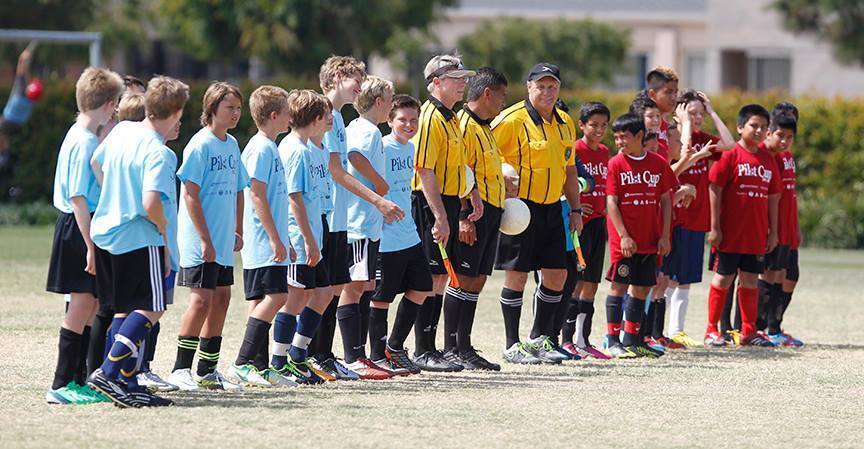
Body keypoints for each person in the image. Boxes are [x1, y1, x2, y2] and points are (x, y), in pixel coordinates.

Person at [86, 75, 190, 407]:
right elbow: (149, 204)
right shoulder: (159, 152)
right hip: (139, 237)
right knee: (152, 307)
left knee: (124, 309)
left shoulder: (124, 130)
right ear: (175, 112)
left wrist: (114, 194)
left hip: (106, 232)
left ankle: (124, 383)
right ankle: (108, 372)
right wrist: (162, 234)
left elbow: (95, 162)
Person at [309, 56, 403, 381]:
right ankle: (326, 356)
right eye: (356, 78)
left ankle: (325, 355)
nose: (360, 85)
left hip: (340, 220)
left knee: (336, 288)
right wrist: (379, 196)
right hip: (338, 218)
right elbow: (340, 168)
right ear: (337, 76)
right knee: (337, 288)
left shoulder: (337, 118)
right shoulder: (325, 115)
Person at [492, 62, 583, 364]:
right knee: (516, 275)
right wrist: (500, 185)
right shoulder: (511, 120)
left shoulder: (565, 122)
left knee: (557, 273)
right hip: (520, 209)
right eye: (540, 86)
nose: (546, 91)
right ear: (529, 87)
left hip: (553, 208)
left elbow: (570, 171)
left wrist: (576, 209)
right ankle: (511, 344)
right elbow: (482, 155)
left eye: (552, 86)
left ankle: (538, 338)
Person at [45, 67, 123, 405]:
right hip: (79, 226)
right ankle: (61, 384)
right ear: (107, 104)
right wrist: (90, 246)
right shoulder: (83, 140)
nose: (117, 110)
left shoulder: (83, 135)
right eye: (116, 104)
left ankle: (79, 380)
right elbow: (78, 197)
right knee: (79, 304)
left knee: (91, 302)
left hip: (86, 224)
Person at [167, 82, 249, 391]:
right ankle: (180, 369)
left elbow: (241, 189)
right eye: (230, 107)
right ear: (212, 109)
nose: (236, 113)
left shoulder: (231, 144)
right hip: (200, 239)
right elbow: (190, 195)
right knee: (201, 300)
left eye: (238, 108)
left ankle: (207, 370)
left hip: (223, 238)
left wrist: (238, 229)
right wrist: (204, 239)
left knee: (223, 298)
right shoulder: (200, 144)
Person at [411, 54, 481, 372]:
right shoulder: (430, 118)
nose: (464, 84)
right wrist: (439, 215)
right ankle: (421, 348)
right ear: (436, 82)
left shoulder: (452, 117)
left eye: (465, 78)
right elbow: (424, 170)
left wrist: (470, 198)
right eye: (457, 78)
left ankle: (432, 347)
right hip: (430, 203)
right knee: (431, 276)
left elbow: (459, 167)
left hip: (450, 202)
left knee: (441, 276)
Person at [228, 85, 299, 388]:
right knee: (278, 296)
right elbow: (256, 195)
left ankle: (258, 366)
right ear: (273, 115)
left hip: (271, 238)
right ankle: (243, 362)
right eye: (286, 113)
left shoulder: (270, 146)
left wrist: (286, 238)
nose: (290, 118)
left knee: (259, 300)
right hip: (262, 240)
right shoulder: (261, 148)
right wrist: (274, 238)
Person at [444, 67, 509, 371]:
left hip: (492, 211)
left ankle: (465, 345)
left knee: (478, 279)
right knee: (463, 278)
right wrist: (462, 216)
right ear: (487, 93)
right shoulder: (464, 126)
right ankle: (451, 347)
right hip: (472, 214)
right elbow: (459, 172)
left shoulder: (486, 127)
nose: (503, 102)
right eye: (501, 95)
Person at [336, 76, 399, 379]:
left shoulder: (366, 129)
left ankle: (359, 353)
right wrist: (378, 183)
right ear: (378, 102)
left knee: (367, 285)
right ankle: (353, 356)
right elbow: (354, 157)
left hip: (368, 221)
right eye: (390, 99)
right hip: (358, 222)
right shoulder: (367, 130)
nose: (392, 105)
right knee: (355, 286)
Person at [704, 104, 781, 347]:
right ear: (740, 127)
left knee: (750, 279)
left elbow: (774, 197)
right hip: (730, 234)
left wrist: (773, 232)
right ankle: (711, 330)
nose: (758, 131)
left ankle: (748, 331)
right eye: (753, 125)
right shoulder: (730, 155)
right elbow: (714, 188)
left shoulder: (768, 160)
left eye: (763, 127)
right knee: (723, 279)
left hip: (756, 235)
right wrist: (714, 227)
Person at [663, 89, 735, 348]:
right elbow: (678, 158)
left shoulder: (703, 139)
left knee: (686, 277)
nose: (697, 118)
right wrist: (682, 126)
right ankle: (657, 330)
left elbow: (730, 146)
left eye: (700, 114)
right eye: (691, 112)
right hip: (672, 217)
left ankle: (676, 330)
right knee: (666, 276)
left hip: (696, 218)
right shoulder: (669, 138)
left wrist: (714, 112)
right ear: (678, 112)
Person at [270, 89, 333, 385]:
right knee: (295, 297)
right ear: (317, 118)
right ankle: (280, 360)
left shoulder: (310, 147)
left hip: (315, 230)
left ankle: (298, 353)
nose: (330, 120)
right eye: (327, 115)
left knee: (322, 293)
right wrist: (307, 240)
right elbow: (294, 198)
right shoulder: (294, 149)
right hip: (299, 235)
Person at [603, 113, 678, 358]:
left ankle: (632, 340)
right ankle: (613, 341)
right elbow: (611, 202)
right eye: (616, 138)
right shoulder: (615, 163)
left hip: (650, 239)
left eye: (624, 137)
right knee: (619, 287)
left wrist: (665, 234)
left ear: (639, 136)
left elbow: (666, 200)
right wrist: (623, 235)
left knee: (643, 288)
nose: (619, 142)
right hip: (624, 241)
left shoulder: (658, 163)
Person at [367, 94, 431, 375]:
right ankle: (377, 355)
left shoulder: (410, 149)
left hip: (409, 233)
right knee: (381, 297)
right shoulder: (382, 147)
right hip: (386, 236)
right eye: (402, 119)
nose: (408, 125)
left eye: (413, 120)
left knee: (422, 287)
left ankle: (395, 347)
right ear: (390, 120)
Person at [560, 101, 612, 360]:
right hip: (580, 223)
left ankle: (584, 340)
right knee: (576, 283)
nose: (600, 130)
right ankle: (567, 339)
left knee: (591, 283)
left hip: (599, 224)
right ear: (581, 125)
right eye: (594, 125)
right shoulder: (575, 149)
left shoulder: (604, 152)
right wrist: (579, 208)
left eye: (604, 125)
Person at [758, 106, 803, 347]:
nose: (785, 139)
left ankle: (772, 326)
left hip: (786, 227)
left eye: (790, 133)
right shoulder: (767, 154)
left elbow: (789, 194)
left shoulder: (786, 155)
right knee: (766, 275)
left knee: (783, 275)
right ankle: (757, 326)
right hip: (770, 227)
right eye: (781, 133)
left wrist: (794, 226)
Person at [0, 42, 39, 168]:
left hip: (10, 121)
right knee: (4, 139)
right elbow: (24, 78)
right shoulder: (30, 100)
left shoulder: (24, 96)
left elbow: (21, 75)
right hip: (14, 125)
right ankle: (4, 154)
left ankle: (3, 154)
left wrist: (22, 60)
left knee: (3, 138)